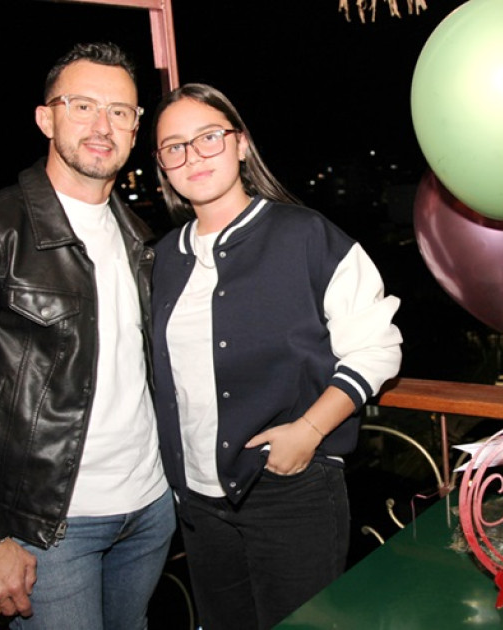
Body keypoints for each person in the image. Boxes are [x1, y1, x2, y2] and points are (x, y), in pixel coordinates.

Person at [0, 42, 175, 629]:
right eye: (82, 106)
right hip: (49, 530)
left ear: (135, 131)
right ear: (46, 117)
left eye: (121, 112)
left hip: (150, 511)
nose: (102, 126)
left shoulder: (140, 237)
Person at [149, 83, 403, 630]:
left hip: (292, 491)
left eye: (209, 138)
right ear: (162, 166)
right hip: (197, 505)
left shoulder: (305, 235)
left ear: (240, 144)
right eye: (175, 146)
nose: (193, 156)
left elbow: (378, 345)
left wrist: (309, 431)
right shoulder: (161, 259)